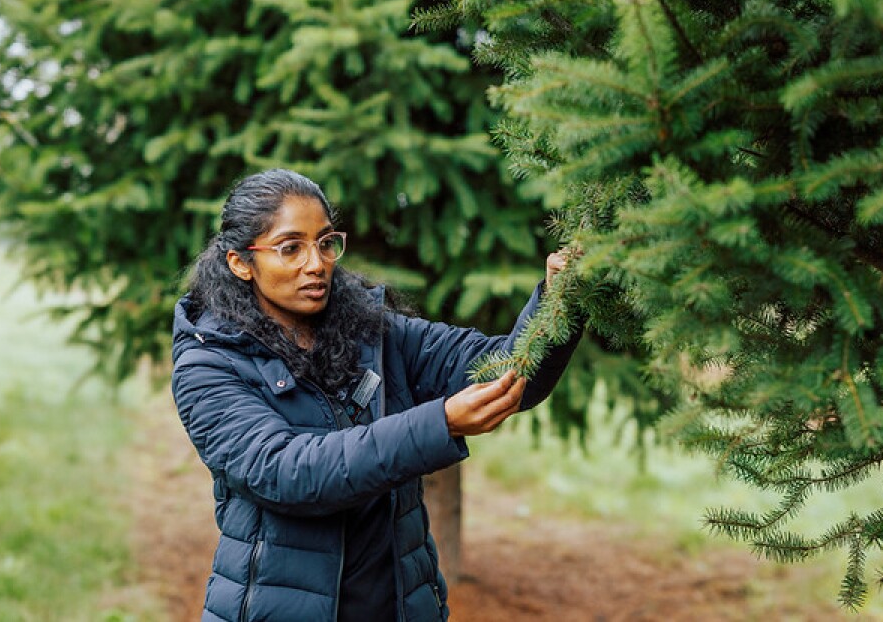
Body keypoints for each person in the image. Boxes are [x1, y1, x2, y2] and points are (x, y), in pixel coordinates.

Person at [171, 168, 582, 622]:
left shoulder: (374, 332)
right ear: (240, 263)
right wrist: (438, 423)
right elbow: (288, 472)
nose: (316, 263)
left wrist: (561, 298)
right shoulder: (209, 364)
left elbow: (507, 370)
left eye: (326, 243)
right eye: (291, 248)